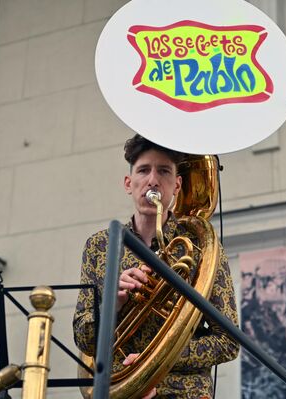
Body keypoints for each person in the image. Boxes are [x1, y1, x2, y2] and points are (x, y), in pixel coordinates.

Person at [73, 134, 239, 398]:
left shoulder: (201, 245)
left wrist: (155, 360)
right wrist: (113, 303)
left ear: (176, 185)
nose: (152, 180)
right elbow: (85, 341)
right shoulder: (101, 246)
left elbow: (228, 342)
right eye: (143, 170)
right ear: (129, 183)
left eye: (163, 171)